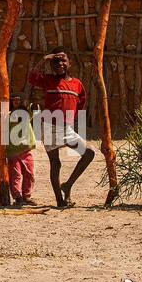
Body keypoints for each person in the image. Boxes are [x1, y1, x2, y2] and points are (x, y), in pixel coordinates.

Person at [27, 49, 94, 208]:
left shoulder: (76, 84)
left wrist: (71, 119)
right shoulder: (48, 80)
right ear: (51, 65)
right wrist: (44, 59)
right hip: (49, 126)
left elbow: (81, 103)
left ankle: (68, 185)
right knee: (55, 163)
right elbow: (31, 77)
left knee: (89, 153)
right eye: (55, 62)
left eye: (63, 60)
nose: (60, 64)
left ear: (69, 63)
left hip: (67, 127)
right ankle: (60, 201)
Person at [4, 93, 36, 206]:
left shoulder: (26, 113)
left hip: (26, 149)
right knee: (15, 175)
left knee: (29, 174)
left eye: (19, 100)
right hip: (13, 149)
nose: (17, 102)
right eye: (14, 100)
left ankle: (27, 196)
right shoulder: (6, 115)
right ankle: (17, 197)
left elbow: (35, 108)